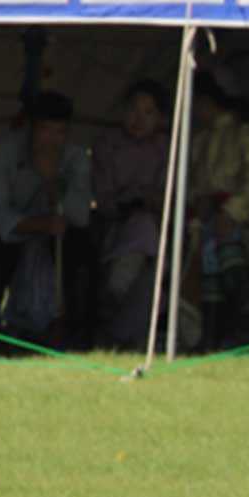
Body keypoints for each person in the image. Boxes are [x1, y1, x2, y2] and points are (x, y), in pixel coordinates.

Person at [0, 92, 92, 343]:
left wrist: (53, 181)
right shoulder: (3, 151)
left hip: (56, 239)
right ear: (31, 128)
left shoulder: (75, 158)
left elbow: (80, 214)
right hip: (11, 234)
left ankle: (76, 333)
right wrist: (36, 225)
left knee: (82, 249)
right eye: (46, 130)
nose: (52, 141)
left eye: (60, 132)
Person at [184, 70, 249, 349]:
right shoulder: (199, 140)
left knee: (234, 268)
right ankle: (211, 336)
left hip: (237, 222)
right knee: (208, 277)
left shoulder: (244, 133)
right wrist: (196, 202)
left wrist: (231, 212)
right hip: (205, 222)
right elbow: (189, 182)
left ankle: (246, 329)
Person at [91, 79, 171, 348]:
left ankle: (124, 314)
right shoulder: (107, 144)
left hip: (159, 231)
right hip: (113, 226)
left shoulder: (167, 148)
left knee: (147, 241)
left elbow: (166, 195)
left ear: (160, 118)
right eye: (133, 110)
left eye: (148, 113)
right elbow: (103, 198)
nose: (139, 119)